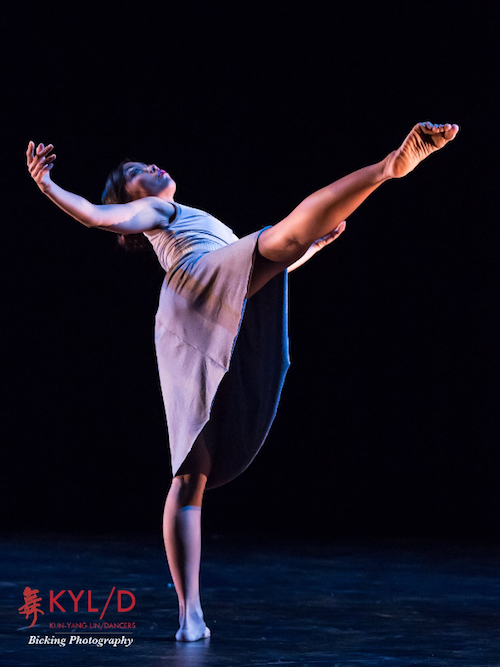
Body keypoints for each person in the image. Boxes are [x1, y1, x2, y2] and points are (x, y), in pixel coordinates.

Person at [26, 121, 459, 642]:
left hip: (195, 311)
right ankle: (389, 167)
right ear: (131, 200)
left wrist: (312, 246)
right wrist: (48, 185)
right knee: (280, 237)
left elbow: (266, 265)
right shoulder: (159, 213)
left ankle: (191, 616)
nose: (149, 168)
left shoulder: (200, 222)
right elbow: (98, 216)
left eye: (147, 162)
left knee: (191, 475)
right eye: (134, 173)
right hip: (197, 281)